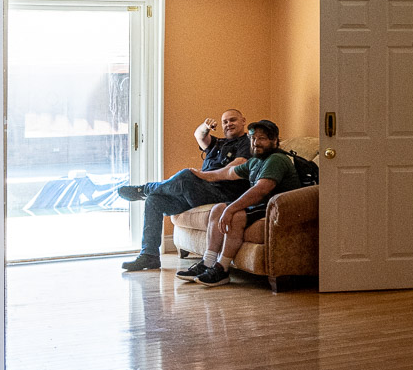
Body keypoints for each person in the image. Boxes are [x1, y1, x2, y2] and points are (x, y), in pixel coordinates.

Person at [117, 109, 252, 271]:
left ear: (243, 121)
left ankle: (144, 189)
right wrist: (205, 126)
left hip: (222, 193)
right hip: (201, 191)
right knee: (154, 201)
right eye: (225, 122)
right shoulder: (218, 143)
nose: (228, 124)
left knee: (187, 175)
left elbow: (238, 165)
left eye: (233, 120)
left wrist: (206, 176)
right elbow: (199, 135)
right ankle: (149, 255)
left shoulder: (247, 142)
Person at [177, 119, 301, 286]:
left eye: (262, 138)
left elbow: (260, 190)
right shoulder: (256, 161)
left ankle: (222, 269)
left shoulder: (277, 159)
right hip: (261, 205)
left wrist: (230, 209)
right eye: (253, 138)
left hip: (276, 207)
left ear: (274, 140)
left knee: (236, 216)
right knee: (218, 209)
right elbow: (228, 173)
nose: (256, 143)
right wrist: (201, 175)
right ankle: (207, 262)